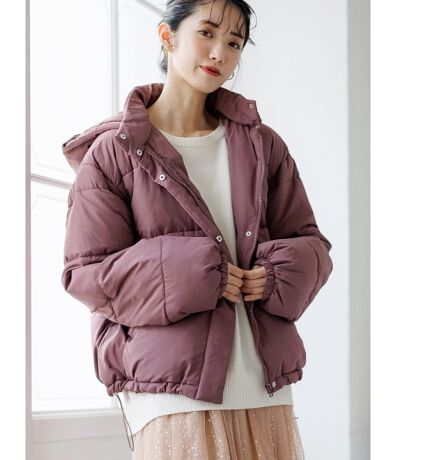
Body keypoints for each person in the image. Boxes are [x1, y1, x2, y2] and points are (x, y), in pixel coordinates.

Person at [61, 0, 333, 458]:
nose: (219, 53)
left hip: (262, 386)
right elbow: (86, 274)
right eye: (206, 33)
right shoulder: (113, 153)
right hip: (172, 393)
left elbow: (312, 245)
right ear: (167, 36)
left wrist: (278, 274)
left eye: (234, 42)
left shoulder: (264, 146)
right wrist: (192, 272)